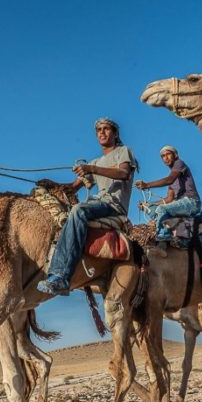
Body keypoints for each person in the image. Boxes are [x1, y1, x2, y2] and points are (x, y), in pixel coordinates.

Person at [36, 117, 137, 296]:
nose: (102, 133)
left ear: (115, 134)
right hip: (97, 202)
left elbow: (123, 173)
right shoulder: (96, 162)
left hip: (113, 205)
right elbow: (72, 188)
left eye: (106, 129)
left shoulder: (123, 151)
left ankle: (61, 275)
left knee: (78, 210)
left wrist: (91, 169)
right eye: (99, 130)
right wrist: (52, 185)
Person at [135, 145, 201, 247]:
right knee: (152, 210)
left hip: (191, 202)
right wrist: (148, 204)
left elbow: (168, 180)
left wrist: (147, 185)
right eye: (163, 156)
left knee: (161, 209)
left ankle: (163, 240)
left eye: (168, 154)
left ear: (175, 155)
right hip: (180, 204)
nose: (166, 157)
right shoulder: (172, 178)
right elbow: (169, 199)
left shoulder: (179, 164)